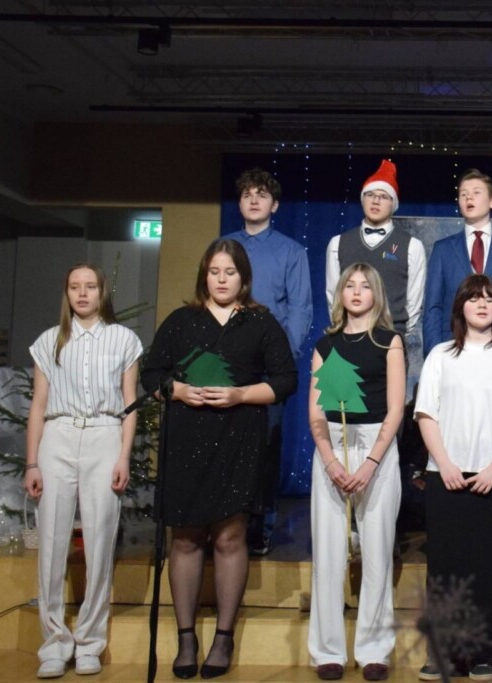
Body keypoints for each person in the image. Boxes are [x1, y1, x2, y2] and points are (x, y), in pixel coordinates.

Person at [141, 239, 297, 680]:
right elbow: (152, 374)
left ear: (243, 277)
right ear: (203, 276)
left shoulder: (260, 323)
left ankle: (224, 637)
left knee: (230, 537)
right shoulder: (181, 321)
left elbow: (285, 380)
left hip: (239, 438)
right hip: (186, 439)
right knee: (186, 539)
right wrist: (177, 390)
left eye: (230, 272)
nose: (222, 279)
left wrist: (239, 395)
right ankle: (186, 637)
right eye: (214, 272)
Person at [25, 263, 143, 679]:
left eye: (90, 286)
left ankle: (90, 641)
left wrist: (123, 456)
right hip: (58, 436)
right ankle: (54, 643)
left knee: (99, 539)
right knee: (52, 542)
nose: (82, 293)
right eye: (75, 286)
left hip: (104, 435)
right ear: (67, 293)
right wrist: (32, 461)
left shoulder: (124, 339)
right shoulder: (49, 341)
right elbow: (38, 405)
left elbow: (129, 404)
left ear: (101, 291)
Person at [414, 274, 492, 682]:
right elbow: (426, 413)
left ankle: (482, 653)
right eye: (474, 298)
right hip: (446, 475)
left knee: (489, 567)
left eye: (490, 298)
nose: (482, 304)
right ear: (460, 306)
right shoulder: (440, 355)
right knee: (446, 567)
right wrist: (444, 462)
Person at [308, 263, 405, 682]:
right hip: (333, 446)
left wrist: (370, 463)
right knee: (329, 554)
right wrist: (331, 461)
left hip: (376, 447)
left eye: (365, 285)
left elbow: (396, 409)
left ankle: (373, 650)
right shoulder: (325, 345)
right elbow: (316, 412)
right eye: (350, 284)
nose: (357, 291)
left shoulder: (389, 342)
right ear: (341, 293)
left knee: (377, 553)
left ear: (376, 294)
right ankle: (328, 650)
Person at [222, 167, 313, 556]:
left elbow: (300, 308)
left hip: (267, 368)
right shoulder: (223, 247)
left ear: (274, 205)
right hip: (225, 364)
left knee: (264, 449)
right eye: (247, 194)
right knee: (224, 448)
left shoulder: (290, 251)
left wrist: (282, 359)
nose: (254, 200)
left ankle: (260, 527)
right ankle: (223, 523)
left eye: (261, 195)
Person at [422, 168, 492, 357]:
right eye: (463, 194)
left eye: (476, 192)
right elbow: (433, 306)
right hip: (452, 348)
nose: (469, 198)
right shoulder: (443, 249)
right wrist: (434, 354)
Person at [325, 159, 427, 338]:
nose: (376, 201)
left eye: (384, 196)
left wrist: (397, 335)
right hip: (348, 337)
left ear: (393, 204)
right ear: (362, 199)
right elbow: (333, 294)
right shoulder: (338, 243)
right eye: (370, 194)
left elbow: (414, 301)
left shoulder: (412, 246)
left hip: (391, 337)